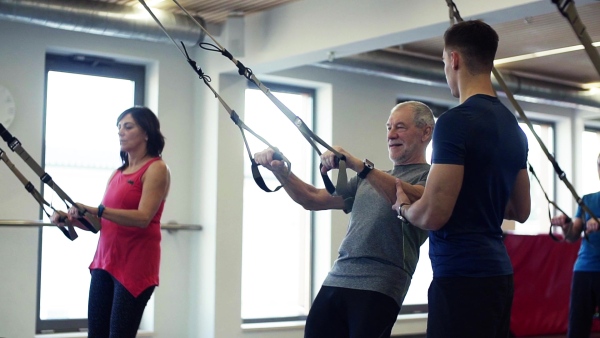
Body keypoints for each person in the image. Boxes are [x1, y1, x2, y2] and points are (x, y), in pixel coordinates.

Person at [392, 20, 531, 338]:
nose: (445, 70)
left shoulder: (454, 122)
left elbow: (433, 214)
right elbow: (520, 209)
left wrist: (403, 207)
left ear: (453, 59)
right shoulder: (513, 127)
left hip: (461, 277)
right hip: (499, 275)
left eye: (443, 62)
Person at [254, 101, 435, 338]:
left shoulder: (430, 177)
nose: (391, 135)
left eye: (400, 127)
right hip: (338, 276)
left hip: (381, 282)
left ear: (426, 132)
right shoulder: (367, 179)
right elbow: (313, 198)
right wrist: (280, 170)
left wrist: (359, 166)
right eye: (388, 127)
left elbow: (413, 199)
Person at [51, 106, 171, 338]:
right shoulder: (117, 173)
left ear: (146, 133)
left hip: (135, 266)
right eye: (119, 128)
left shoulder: (156, 168)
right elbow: (101, 223)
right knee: (96, 334)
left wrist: (98, 209)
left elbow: (143, 217)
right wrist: (70, 220)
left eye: (128, 127)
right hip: (105, 262)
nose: (121, 132)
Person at [551, 153, 600, 338]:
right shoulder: (586, 200)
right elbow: (573, 235)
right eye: (599, 164)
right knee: (577, 330)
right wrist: (565, 226)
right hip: (584, 270)